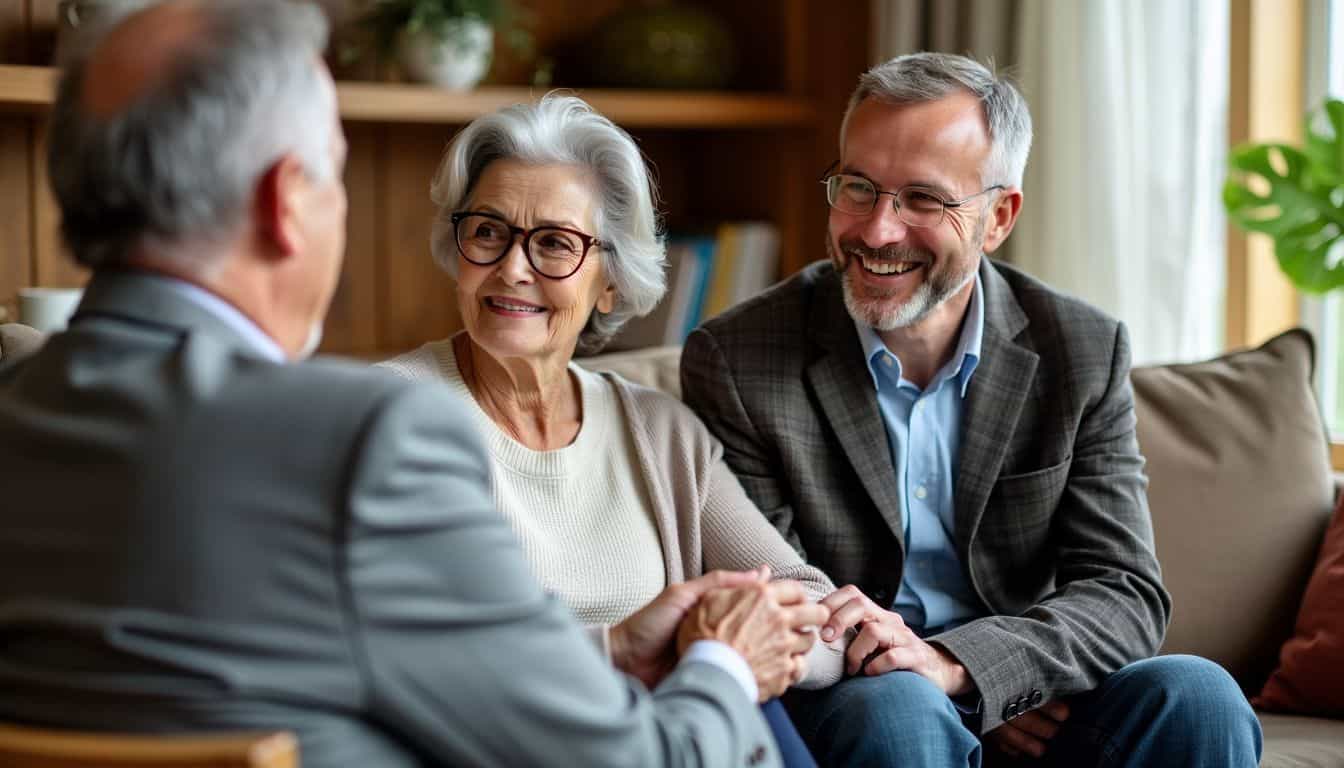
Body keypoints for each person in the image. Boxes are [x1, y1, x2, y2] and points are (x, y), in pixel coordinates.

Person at [0, 2, 828, 766]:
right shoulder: (365, 438)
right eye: (335, 173)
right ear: (287, 201)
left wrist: (609, 649)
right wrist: (722, 663)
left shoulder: (18, 392)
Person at [681, 52, 1263, 768]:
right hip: (863, 702)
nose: (878, 230)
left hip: (1027, 695)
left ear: (998, 217)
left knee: (1197, 695)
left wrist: (971, 671)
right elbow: (776, 603)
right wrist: (933, 681)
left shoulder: (1079, 348)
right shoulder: (737, 359)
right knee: (903, 709)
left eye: (923, 199)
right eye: (858, 187)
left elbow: (1124, 591)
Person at [377, 93, 844, 767]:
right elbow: (401, 652)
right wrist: (627, 649)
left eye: (554, 243)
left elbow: (809, 604)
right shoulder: (388, 417)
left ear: (609, 283)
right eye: (487, 231)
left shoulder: (658, 428)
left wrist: (735, 641)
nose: (512, 268)